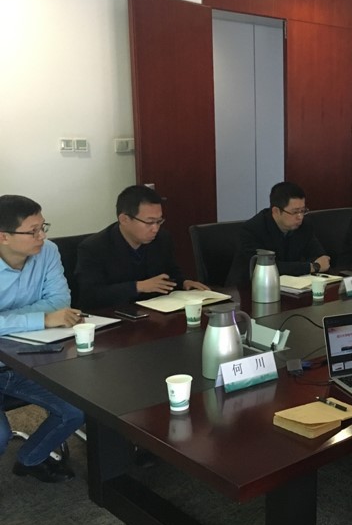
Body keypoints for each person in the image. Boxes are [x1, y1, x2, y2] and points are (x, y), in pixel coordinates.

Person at [0, 195, 85, 483]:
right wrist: (42, 318)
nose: (42, 236)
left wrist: (6, 319)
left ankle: (30, 459)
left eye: (43, 227)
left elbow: (60, 302)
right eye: (33, 231)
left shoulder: (47, 251)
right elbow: (52, 313)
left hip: (28, 360)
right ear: (3, 236)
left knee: (77, 409)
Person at [76, 185, 209, 310]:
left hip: (156, 313)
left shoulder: (162, 238)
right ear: (124, 219)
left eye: (159, 221)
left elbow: (171, 273)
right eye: (149, 222)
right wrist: (137, 287)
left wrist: (183, 283)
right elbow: (90, 296)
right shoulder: (94, 248)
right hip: (117, 316)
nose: (155, 228)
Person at [227, 182, 330, 285]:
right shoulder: (252, 230)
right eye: (295, 212)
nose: (300, 217)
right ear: (276, 211)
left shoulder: (304, 225)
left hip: (292, 286)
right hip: (248, 288)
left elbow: (321, 258)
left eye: (303, 211)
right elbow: (265, 268)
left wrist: (309, 265)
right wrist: (311, 267)